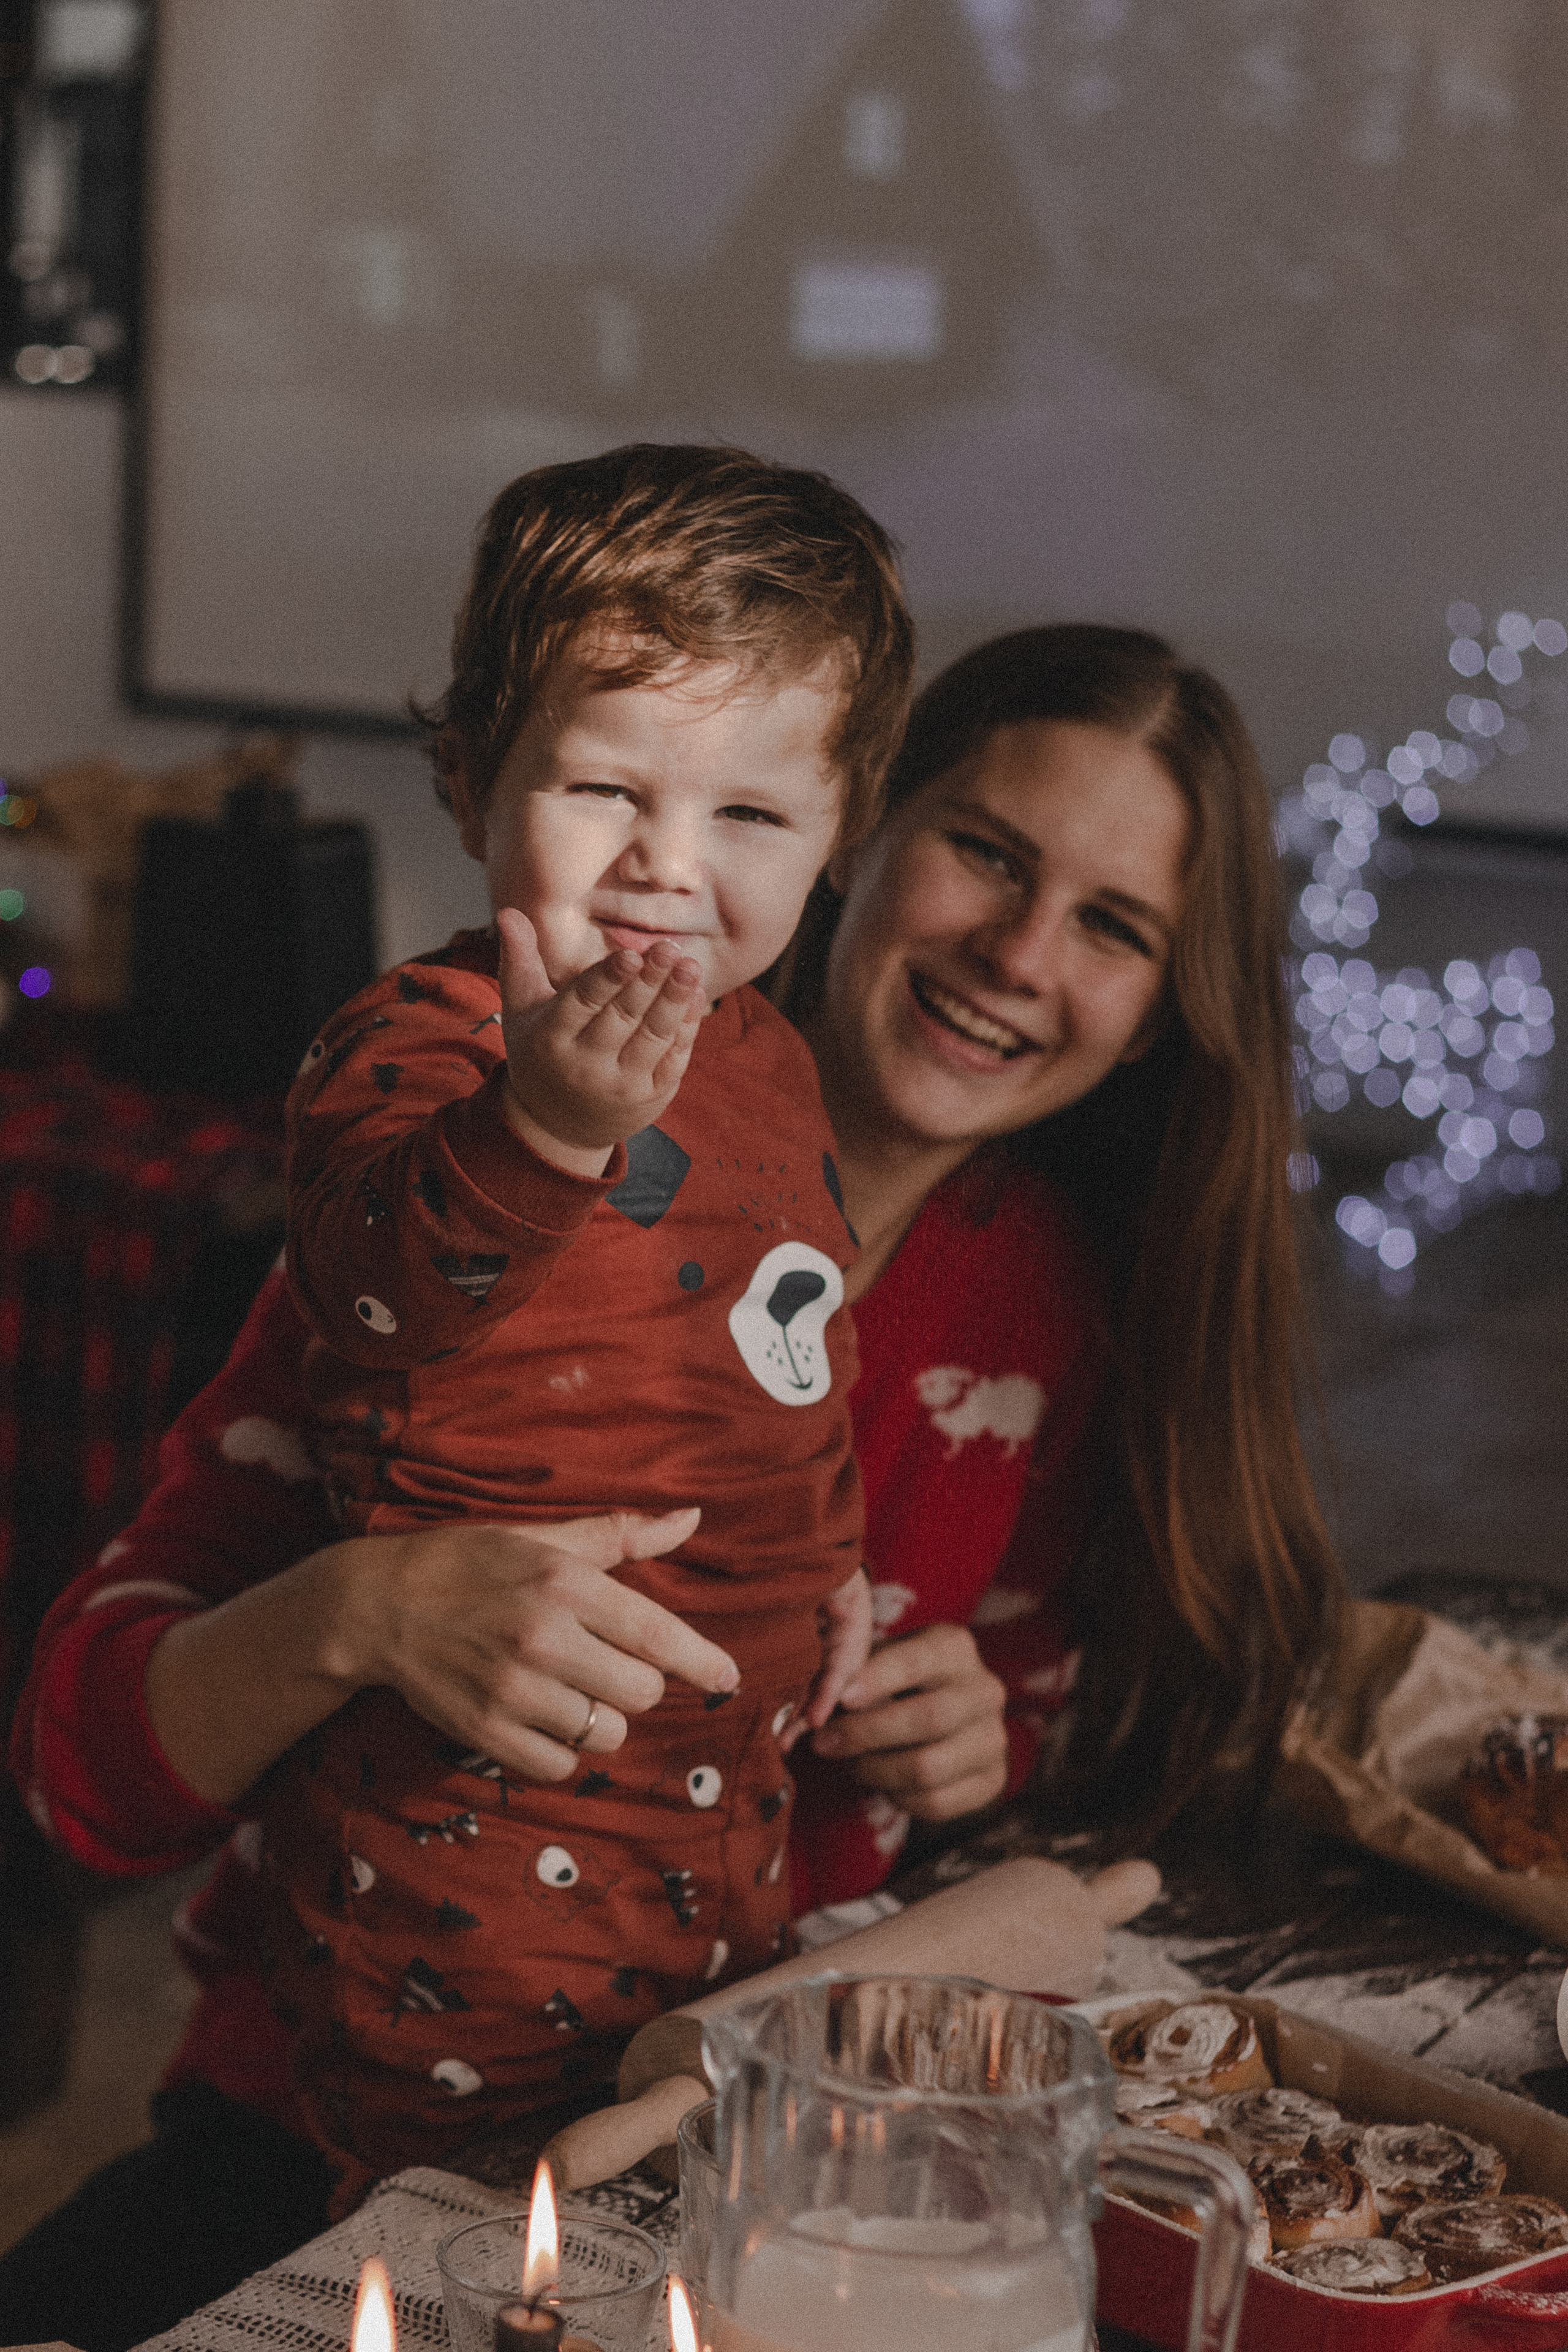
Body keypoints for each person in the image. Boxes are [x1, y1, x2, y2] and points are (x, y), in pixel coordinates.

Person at [6, 621, 1340, 2351]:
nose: (1018, 954)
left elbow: (1050, 1693)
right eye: (987, 855)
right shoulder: (463, 1196)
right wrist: (360, 1614)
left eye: (1113, 925)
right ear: (859, 829)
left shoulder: (1053, 1317)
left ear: (1166, 1005)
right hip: (317, 2139)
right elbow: (82, 1768)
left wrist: (984, 1732)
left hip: (767, 2153)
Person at [262, 441, 913, 2210]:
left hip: (722, 1812)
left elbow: (800, 1353)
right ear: (475, 783)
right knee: (444, 2218)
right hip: (469, 1823)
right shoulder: (423, 1044)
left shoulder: (778, 1068)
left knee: (663, 2188)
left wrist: (828, 1565)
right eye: (606, 790)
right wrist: (537, 1129)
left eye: (753, 819)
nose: (666, 872)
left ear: (839, 835)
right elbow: (372, 1289)